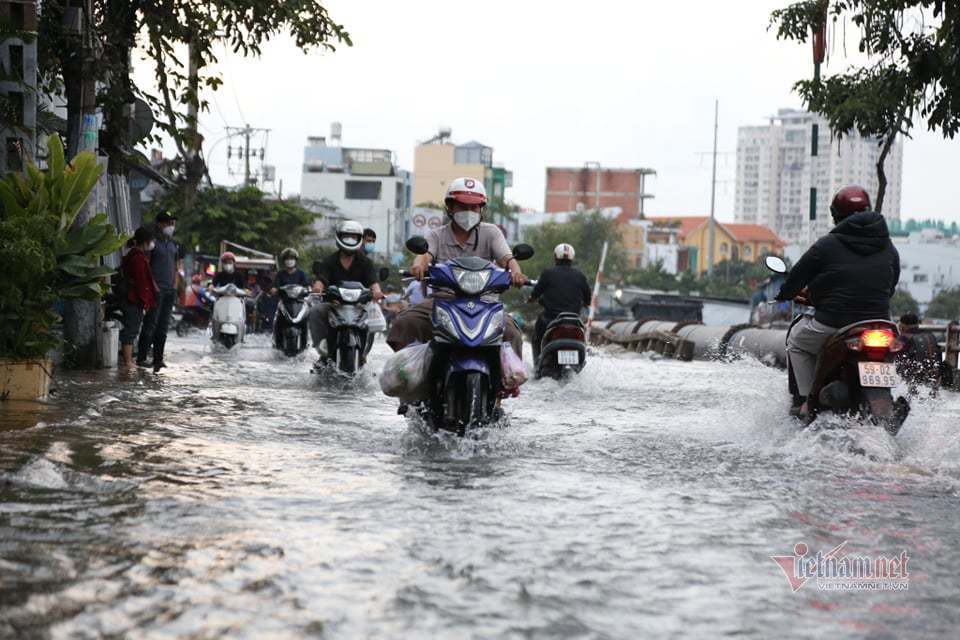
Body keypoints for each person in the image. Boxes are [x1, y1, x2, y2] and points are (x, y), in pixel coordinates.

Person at [775, 185, 900, 416]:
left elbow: (797, 277)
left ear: (836, 216)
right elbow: (891, 287)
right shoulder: (888, 246)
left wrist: (785, 293)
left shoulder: (827, 244)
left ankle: (803, 400)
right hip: (881, 323)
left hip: (834, 322)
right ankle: (886, 400)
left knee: (797, 341)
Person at [387, 177, 527, 356]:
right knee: (404, 323)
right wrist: (418, 266)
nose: (468, 212)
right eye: (462, 206)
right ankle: (409, 372)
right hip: (442, 301)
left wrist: (516, 272)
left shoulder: (491, 232)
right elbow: (424, 255)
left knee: (512, 333)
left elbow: (507, 259)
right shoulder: (436, 235)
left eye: (474, 207)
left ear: (481, 209)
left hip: (485, 301)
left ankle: (510, 382)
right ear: (450, 207)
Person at [309, 221, 383, 361]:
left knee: (372, 319)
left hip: (359, 306)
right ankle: (322, 347)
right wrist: (318, 288)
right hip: (334, 305)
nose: (350, 240)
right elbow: (322, 278)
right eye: (347, 236)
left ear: (359, 239)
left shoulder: (366, 262)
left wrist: (377, 291)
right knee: (315, 311)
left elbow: (373, 282)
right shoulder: (330, 261)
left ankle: (363, 353)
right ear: (339, 237)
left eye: (353, 237)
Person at [529, 243, 592, 363]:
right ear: (572, 258)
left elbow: (536, 292)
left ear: (555, 257)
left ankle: (538, 362)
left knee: (537, 334)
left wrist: (531, 298)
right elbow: (588, 297)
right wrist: (585, 303)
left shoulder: (548, 273)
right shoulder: (580, 275)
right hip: (574, 319)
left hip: (550, 318)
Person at [138, 211, 179, 371]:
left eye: (172, 223)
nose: (171, 226)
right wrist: (153, 286)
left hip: (169, 290)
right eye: (168, 223)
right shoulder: (153, 243)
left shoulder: (173, 244)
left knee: (163, 326)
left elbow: (175, 266)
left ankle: (158, 359)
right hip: (156, 290)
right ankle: (141, 357)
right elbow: (146, 266)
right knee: (150, 324)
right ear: (160, 224)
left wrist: (175, 285)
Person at [119, 227, 158, 368]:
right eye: (152, 241)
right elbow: (142, 283)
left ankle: (128, 361)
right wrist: (145, 302)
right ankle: (128, 362)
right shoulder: (138, 258)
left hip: (132, 298)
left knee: (131, 329)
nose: (153, 244)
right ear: (146, 242)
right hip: (134, 299)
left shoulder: (135, 256)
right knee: (131, 330)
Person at [896, 313, 943, 392]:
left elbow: (896, 359)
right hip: (933, 376)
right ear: (917, 324)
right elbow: (939, 356)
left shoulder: (903, 338)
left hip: (912, 378)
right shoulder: (930, 335)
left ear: (903, 326)